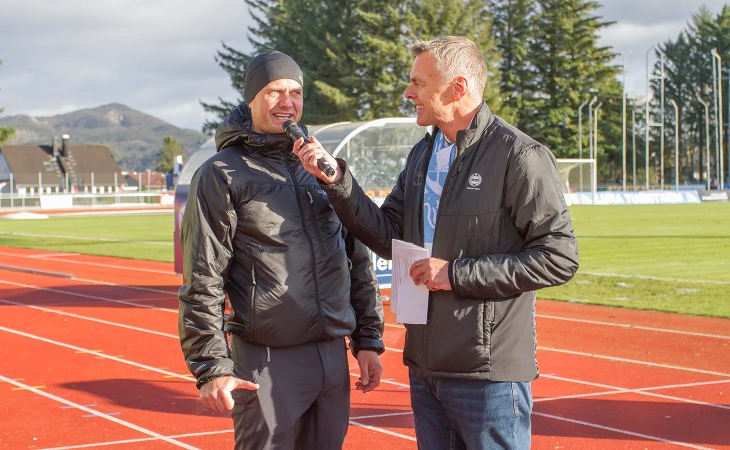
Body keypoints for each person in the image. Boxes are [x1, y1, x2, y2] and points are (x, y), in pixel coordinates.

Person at [294, 36, 579, 449]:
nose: (408, 93)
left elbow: (559, 256)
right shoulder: (421, 156)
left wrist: (456, 274)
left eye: (418, 83)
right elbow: (387, 235)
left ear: (457, 88)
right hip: (426, 367)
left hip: (488, 374)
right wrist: (336, 181)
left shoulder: (518, 155)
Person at [178, 50, 385, 450]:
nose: (287, 102)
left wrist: (368, 341)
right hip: (268, 360)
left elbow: (357, 262)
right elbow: (203, 277)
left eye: (296, 92)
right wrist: (211, 366)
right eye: (274, 91)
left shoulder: (324, 169)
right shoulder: (221, 174)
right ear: (252, 98)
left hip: (331, 357)